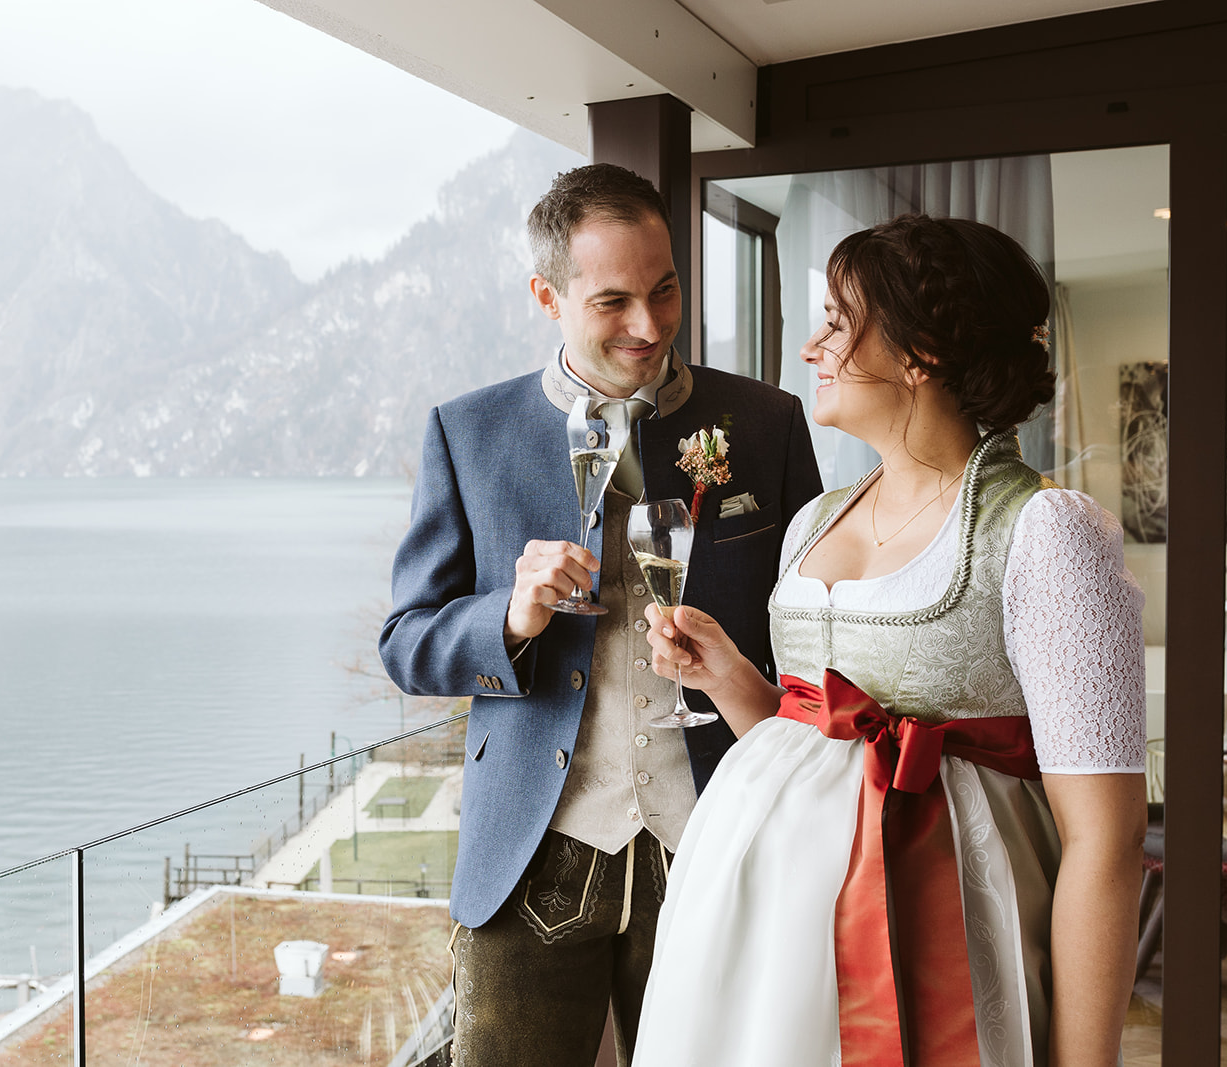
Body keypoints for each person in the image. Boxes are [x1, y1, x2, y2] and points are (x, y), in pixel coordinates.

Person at [632, 214, 1146, 1066]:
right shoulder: (813, 521)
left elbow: (1108, 838)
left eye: (837, 319)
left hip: (934, 941)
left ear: (921, 353)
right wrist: (728, 678)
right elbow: (812, 744)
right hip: (757, 956)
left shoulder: (1045, 532)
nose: (811, 346)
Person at [378, 162, 821, 1065]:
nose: (651, 326)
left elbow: (813, 634)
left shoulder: (766, 423)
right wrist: (509, 616)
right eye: (614, 300)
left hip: (716, 842)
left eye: (665, 291)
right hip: (531, 856)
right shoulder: (468, 433)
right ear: (547, 293)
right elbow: (406, 645)